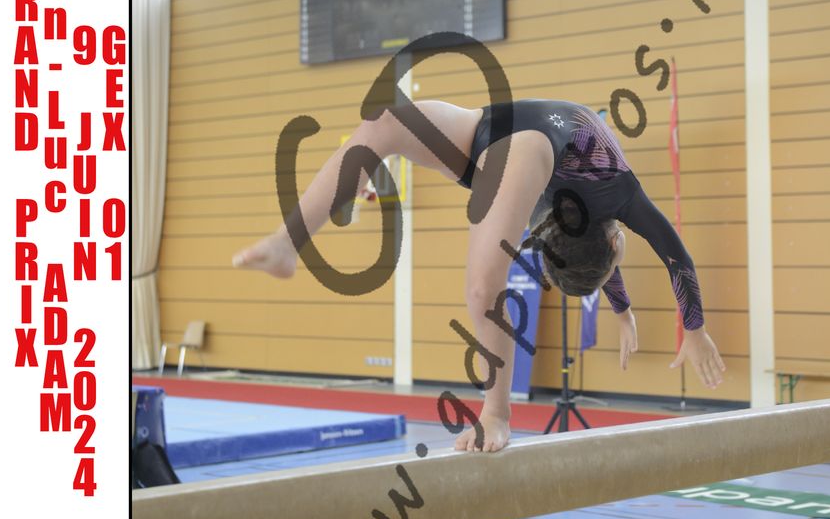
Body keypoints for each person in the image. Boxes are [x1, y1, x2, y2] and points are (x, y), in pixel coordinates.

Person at [233, 98, 725, 454]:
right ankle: (284, 246)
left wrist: (651, 317)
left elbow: (653, 255)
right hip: (506, 143)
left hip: (497, 130)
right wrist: (683, 327)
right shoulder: (613, 198)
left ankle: (287, 240)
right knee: (481, 285)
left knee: (385, 123)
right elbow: (653, 255)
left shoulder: (610, 208)